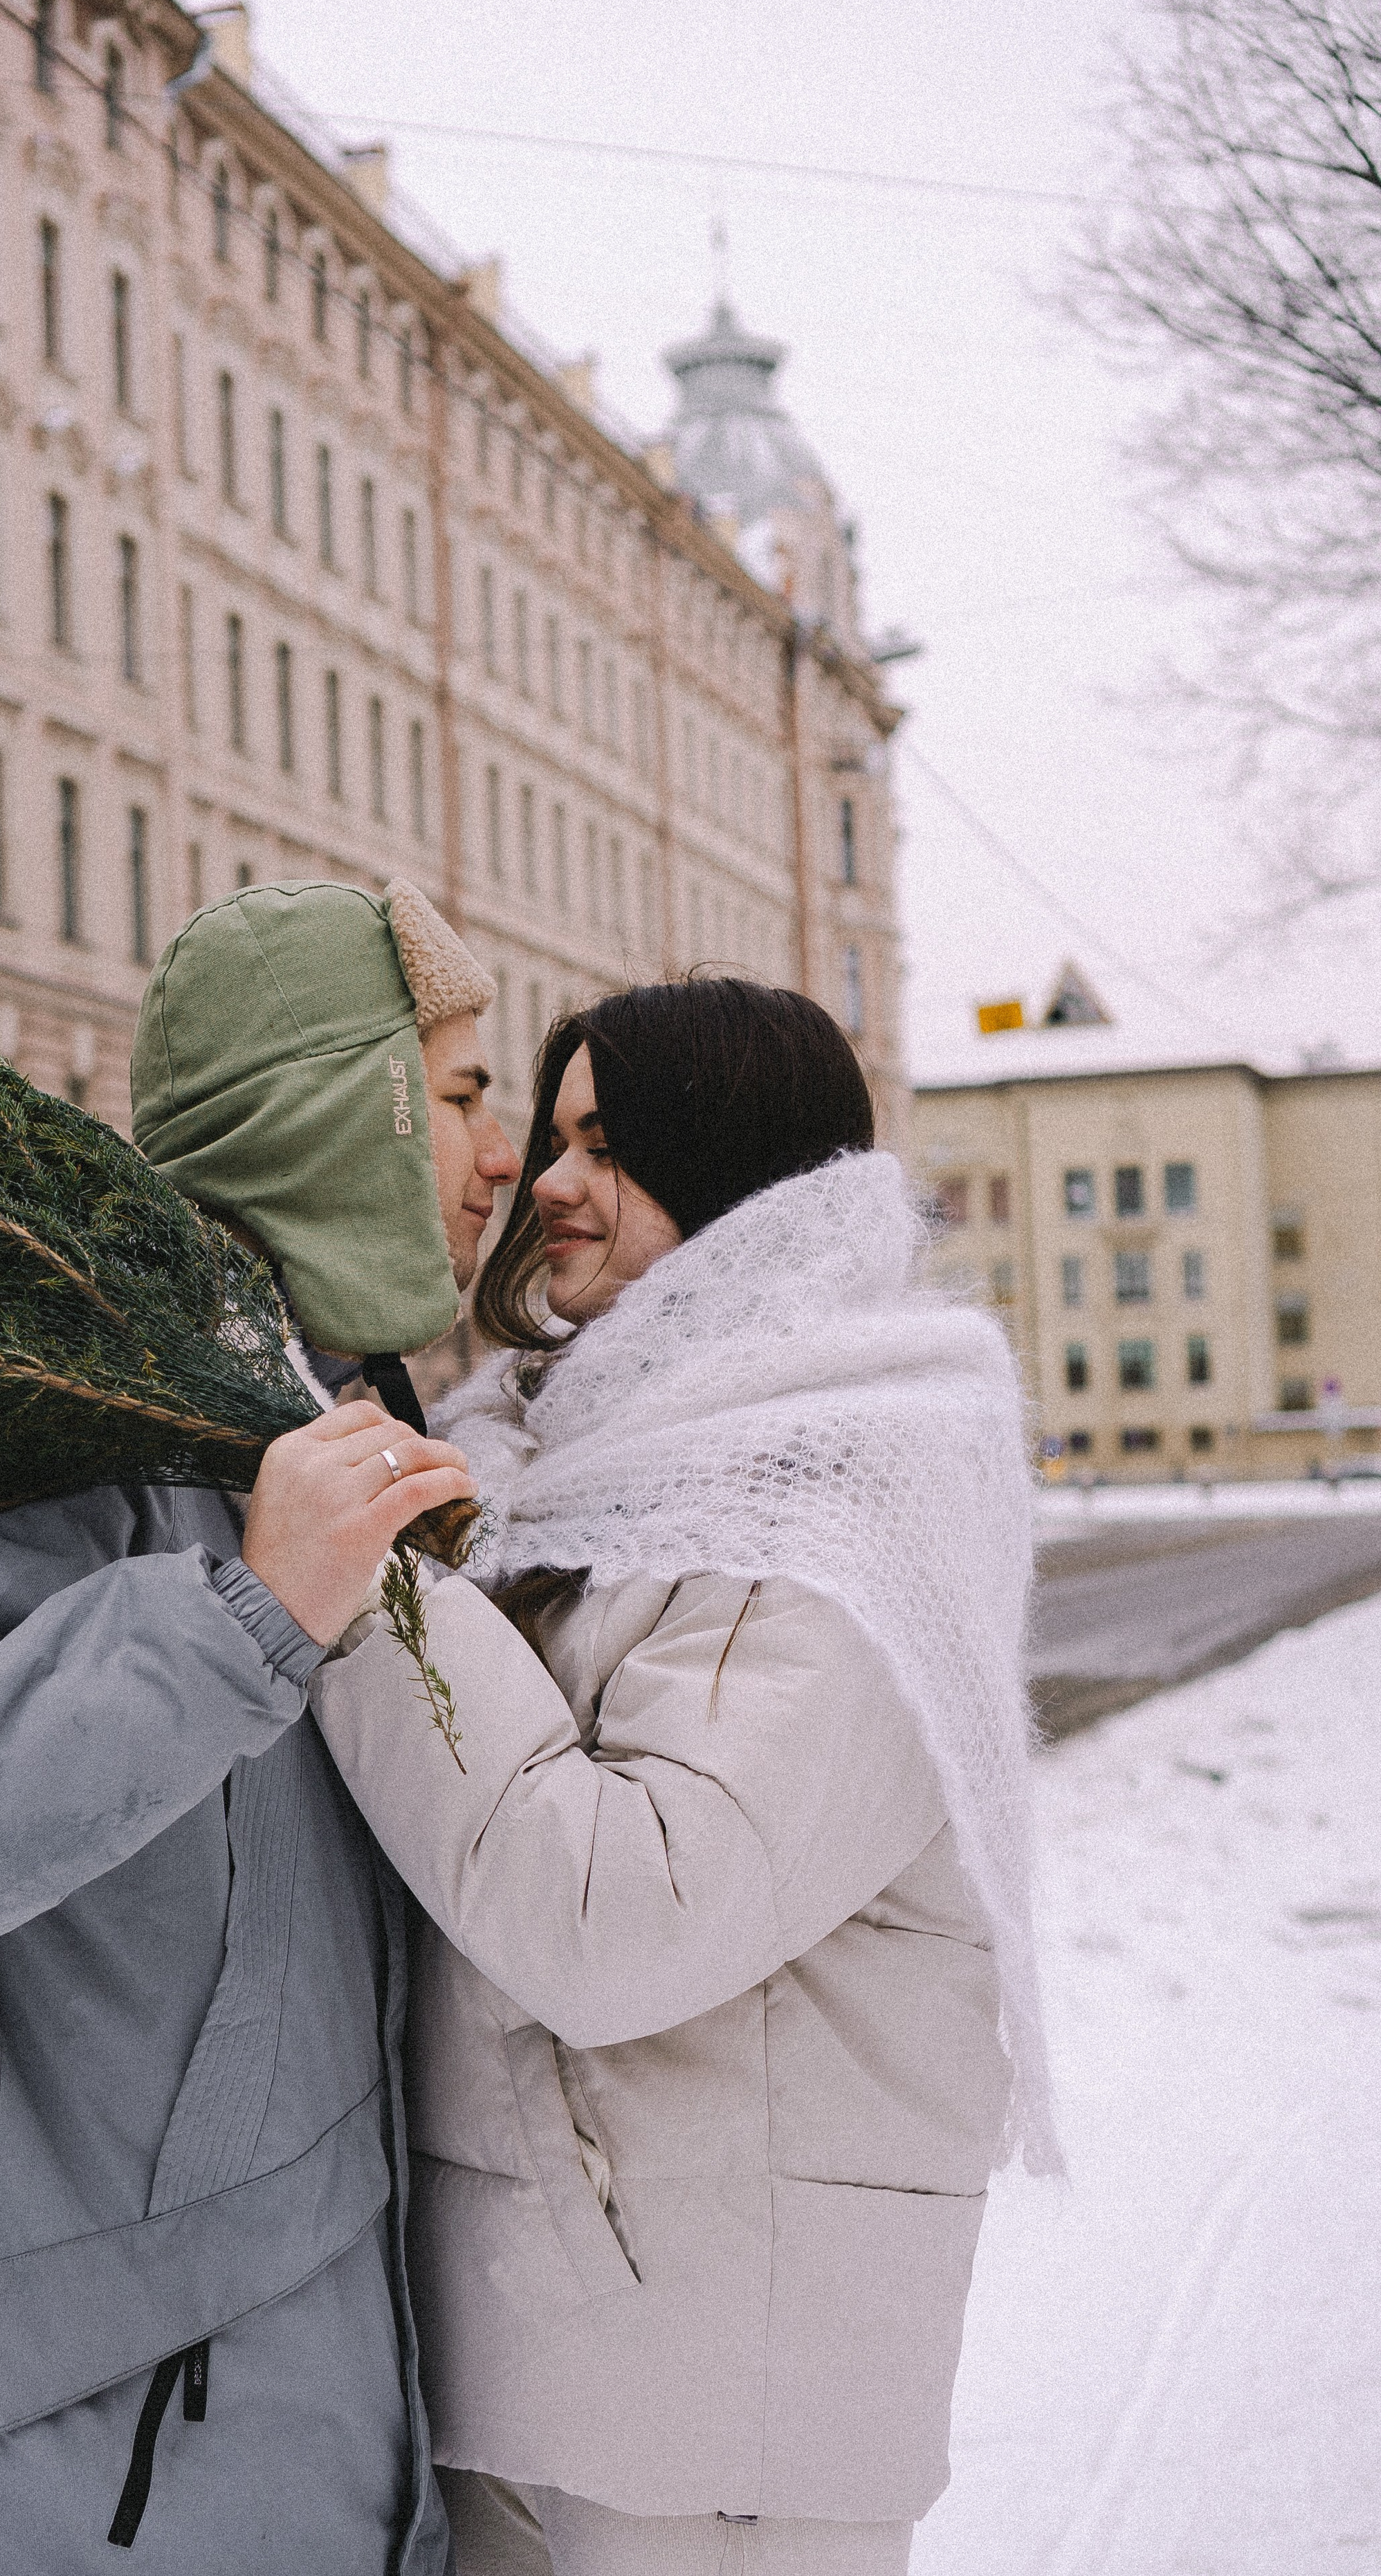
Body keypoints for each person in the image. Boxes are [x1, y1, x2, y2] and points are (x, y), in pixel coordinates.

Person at [0, 880, 504, 2576]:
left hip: (258, 2451)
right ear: (332, 1119)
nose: (502, 1150)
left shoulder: (314, 1428)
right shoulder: (44, 1419)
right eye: (455, 1096)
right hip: (61, 2485)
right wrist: (241, 1615)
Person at [249, 978, 1056, 2576]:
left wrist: (365, 1584)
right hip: (530, 2348)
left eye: (605, 1143)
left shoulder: (849, 1486)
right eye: (548, 1135)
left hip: (722, 2409)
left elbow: (623, 1917)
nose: (543, 1182)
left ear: (735, 1170)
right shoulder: (554, 1452)